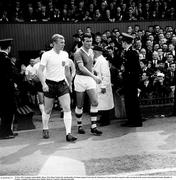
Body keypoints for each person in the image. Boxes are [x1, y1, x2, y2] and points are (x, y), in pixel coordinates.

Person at [38, 34, 77, 142]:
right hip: (50, 84)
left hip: (62, 84)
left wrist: (70, 83)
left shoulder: (65, 54)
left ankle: (68, 133)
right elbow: (39, 71)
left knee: (67, 108)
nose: (64, 44)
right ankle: (45, 128)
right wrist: (43, 84)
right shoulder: (46, 55)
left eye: (64, 42)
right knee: (48, 109)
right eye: (61, 42)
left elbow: (66, 71)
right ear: (54, 43)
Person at [74, 33, 102, 135]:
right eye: (87, 41)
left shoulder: (91, 51)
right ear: (82, 41)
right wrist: (94, 77)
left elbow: (90, 65)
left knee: (95, 102)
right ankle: (79, 125)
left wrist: (94, 72)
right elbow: (81, 68)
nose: (89, 43)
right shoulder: (78, 52)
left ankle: (93, 126)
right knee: (80, 105)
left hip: (89, 79)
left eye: (90, 41)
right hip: (80, 79)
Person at [120, 33, 143, 127]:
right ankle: (131, 120)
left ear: (125, 43)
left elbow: (136, 69)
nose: (121, 44)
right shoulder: (127, 52)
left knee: (132, 101)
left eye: (122, 42)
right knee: (129, 101)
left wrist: (133, 81)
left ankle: (136, 121)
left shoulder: (132, 53)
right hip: (128, 80)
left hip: (131, 81)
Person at [0, 38, 18, 139]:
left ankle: (7, 131)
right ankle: (5, 133)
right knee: (8, 112)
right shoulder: (6, 59)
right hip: (7, 90)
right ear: (9, 48)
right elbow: (12, 73)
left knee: (3, 112)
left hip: (2, 90)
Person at [93, 45, 114, 126]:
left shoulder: (103, 61)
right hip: (98, 85)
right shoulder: (97, 60)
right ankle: (103, 118)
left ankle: (106, 120)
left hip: (103, 85)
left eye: (94, 52)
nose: (93, 53)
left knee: (105, 104)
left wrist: (103, 86)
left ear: (98, 52)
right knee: (101, 104)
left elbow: (106, 75)